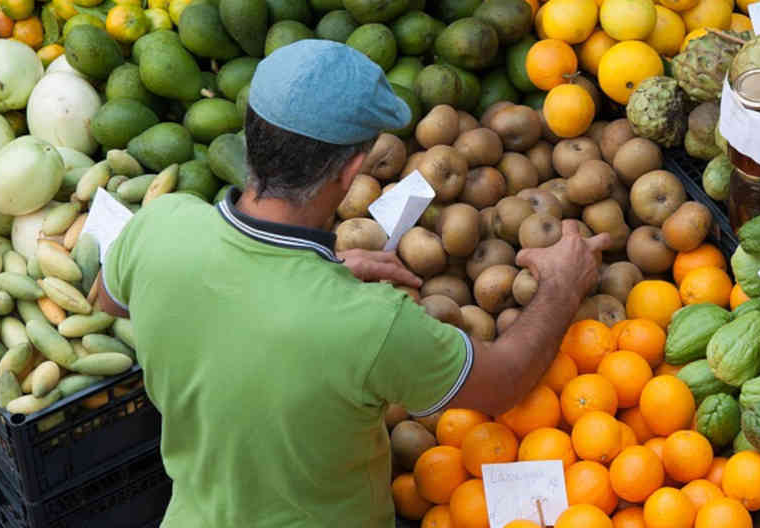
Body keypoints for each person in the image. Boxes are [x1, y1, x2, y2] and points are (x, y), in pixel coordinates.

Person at [99, 40, 609, 527]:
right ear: (351, 172)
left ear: (250, 134)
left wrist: (313, 277)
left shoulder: (160, 225)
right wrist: (561, 287)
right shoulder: (372, 323)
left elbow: (110, 299)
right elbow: (507, 381)